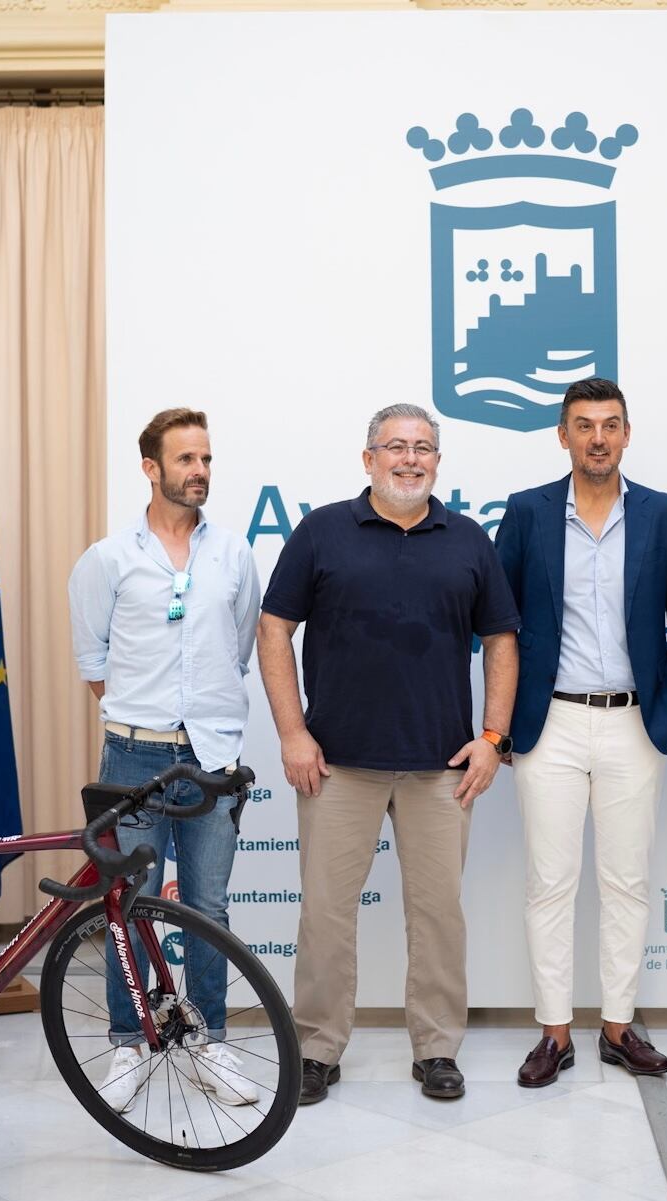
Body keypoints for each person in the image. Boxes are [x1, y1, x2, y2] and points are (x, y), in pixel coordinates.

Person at [259, 403, 519, 1105]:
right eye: (396, 446)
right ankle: (315, 1048)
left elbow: (501, 640)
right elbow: (274, 628)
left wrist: (494, 737)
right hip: (336, 764)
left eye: (424, 448)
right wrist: (292, 731)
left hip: (441, 769)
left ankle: (437, 1049)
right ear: (367, 457)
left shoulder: (466, 539)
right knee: (324, 913)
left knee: (438, 913)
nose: (411, 458)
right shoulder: (321, 533)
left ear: (438, 461)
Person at [494, 378, 667, 1086]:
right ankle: (554, 1032)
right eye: (583, 425)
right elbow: (498, 626)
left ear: (626, 433)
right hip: (548, 722)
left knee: (627, 882)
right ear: (563, 436)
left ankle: (618, 1027)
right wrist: (502, 720)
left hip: (631, 724)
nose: (597, 437)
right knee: (550, 882)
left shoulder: (662, 514)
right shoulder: (526, 513)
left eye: (610, 424)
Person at [68, 407, 263, 1113]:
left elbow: (236, 651)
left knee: (208, 907)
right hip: (133, 757)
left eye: (206, 459)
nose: (200, 471)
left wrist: (193, 719)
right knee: (129, 905)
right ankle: (129, 1040)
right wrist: (146, 717)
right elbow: (94, 661)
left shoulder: (234, 555)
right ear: (151, 468)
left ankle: (206, 1038)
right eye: (186, 460)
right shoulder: (108, 558)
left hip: (210, 757)